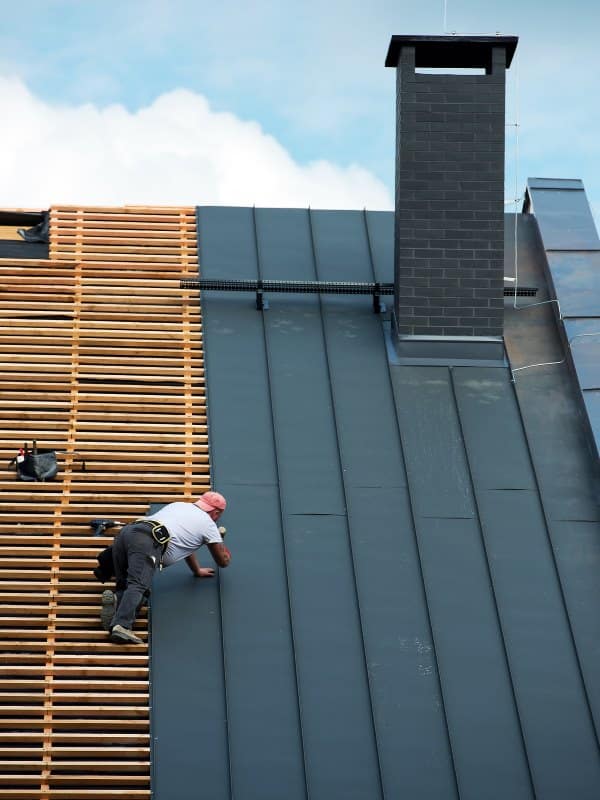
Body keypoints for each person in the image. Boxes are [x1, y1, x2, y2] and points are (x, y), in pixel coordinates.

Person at [102, 491, 230, 644]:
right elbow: (223, 561)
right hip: (148, 541)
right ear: (216, 512)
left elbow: (186, 547)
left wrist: (196, 570)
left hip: (127, 533)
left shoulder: (179, 505)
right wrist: (221, 542)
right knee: (139, 584)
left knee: (128, 586)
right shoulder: (209, 525)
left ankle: (117, 605)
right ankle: (121, 626)